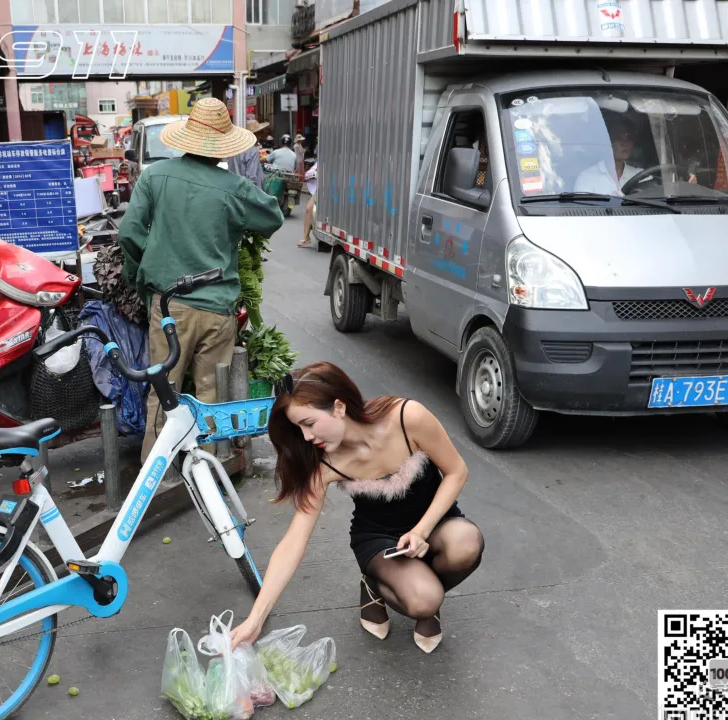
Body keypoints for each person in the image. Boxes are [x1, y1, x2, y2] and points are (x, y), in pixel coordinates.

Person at [231, 362, 484, 654]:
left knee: (466, 544)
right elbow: (293, 542)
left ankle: (418, 581)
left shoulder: (406, 417)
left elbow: (457, 471)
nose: (306, 437)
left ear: (339, 407)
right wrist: (256, 619)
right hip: (378, 538)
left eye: (309, 423)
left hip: (434, 522)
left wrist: (421, 531)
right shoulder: (323, 465)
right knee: (424, 600)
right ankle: (377, 585)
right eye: (298, 428)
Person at [119, 97, 284, 461]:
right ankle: (205, 473)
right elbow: (271, 217)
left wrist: (142, 274)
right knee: (210, 394)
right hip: (218, 307)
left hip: (169, 306)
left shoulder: (154, 176)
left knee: (164, 392)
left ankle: (157, 477)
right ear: (222, 145)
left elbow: (129, 234)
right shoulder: (233, 187)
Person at [573, 117, 642, 195]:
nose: (624, 143)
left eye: (629, 138)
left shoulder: (641, 176)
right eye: (618, 138)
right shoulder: (587, 177)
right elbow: (581, 207)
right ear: (606, 141)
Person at [228, 119, 268, 187]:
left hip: (234, 188)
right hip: (246, 191)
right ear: (256, 134)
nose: (260, 136)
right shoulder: (253, 150)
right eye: (259, 133)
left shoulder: (235, 148)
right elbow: (252, 177)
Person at [297, 160, 318, 248]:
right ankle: (306, 237)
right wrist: (314, 175)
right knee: (309, 208)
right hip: (324, 189)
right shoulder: (323, 160)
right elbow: (308, 174)